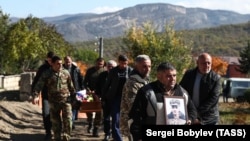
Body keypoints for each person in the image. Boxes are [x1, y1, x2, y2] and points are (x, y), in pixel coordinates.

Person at [129, 62, 197, 141]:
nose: (172, 79)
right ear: (159, 76)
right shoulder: (146, 92)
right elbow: (136, 116)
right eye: (168, 76)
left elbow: (193, 111)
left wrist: (190, 119)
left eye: (174, 75)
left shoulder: (182, 92)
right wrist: (138, 137)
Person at [32, 55, 75, 141]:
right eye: (58, 64)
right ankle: (57, 138)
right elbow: (39, 85)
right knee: (56, 124)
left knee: (68, 121)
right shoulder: (47, 73)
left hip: (66, 101)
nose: (60, 65)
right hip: (53, 102)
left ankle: (66, 138)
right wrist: (35, 95)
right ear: (53, 64)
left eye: (61, 64)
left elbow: (71, 87)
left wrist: (74, 97)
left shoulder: (66, 73)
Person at [179, 52, 221, 125]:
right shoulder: (189, 75)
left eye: (209, 63)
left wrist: (196, 114)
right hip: (191, 115)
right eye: (204, 63)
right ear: (197, 63)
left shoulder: (216, 78)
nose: (207, 65)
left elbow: (213, 99)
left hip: (209, 118)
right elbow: (181, 91)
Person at [120, 54, 151, 141]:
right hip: (132, 123)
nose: (148, 69)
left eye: (149, 66)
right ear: (136, 66)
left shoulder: (145, 80)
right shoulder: (133, 82)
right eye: (144, 66)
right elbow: (133, 105)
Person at [102, 54, 133, 141]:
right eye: (122, 63)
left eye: (125, 63)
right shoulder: (113, 71)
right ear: (119, 62)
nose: (124, 65)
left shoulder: (131, 71)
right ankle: (118, 139)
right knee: (115, 119)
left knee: (128, 120)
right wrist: (103, 98)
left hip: (127, 98)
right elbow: (107, 85)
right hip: (115, 98)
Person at [31, 51, 54, 140]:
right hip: (46, 96)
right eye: (49, 60)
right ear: (47, 59)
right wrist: (34, 95)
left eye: (52, 60)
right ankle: (48, 132)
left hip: (57, 97)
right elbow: (37, 82)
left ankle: (57, 131)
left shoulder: (59, 67)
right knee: (46, 113)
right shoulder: (43, 69)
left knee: (55, 115)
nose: (50, 62)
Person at [83, 57, 106, 137]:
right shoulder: (90, 71)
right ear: (95, 62)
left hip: (99, 94)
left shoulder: (104, 71)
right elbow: (85, 82)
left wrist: (96, 91)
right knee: (88, 110)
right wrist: (88, 90)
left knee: (99, 112)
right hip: (89, 93)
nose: (99, 65)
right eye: (98, 63)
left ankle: (95, 129)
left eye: (101, 63)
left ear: (103, 64)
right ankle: (90, 122)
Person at [96, 60, 117, 141]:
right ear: (106, 67)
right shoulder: (102, 75)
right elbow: (98, 87)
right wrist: (98, 95)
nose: (110, 68)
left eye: (113, 66)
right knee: (106, 118)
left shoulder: (119, 75)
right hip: (106, 100)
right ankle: (107, 133)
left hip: (116, 100)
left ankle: (115, 134)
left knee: (116, 118)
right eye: (109, 66)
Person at [63, 56, 84, 129]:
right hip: (65, 91)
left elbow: (81, 80)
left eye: (69, 60)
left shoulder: (76, 69)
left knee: (75, 107)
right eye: (66, 60)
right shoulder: (61, 69)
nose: (67, 62)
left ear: (71, 61)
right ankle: (70, 122)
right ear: (64, 61)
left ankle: (72, 121)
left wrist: (82, 89)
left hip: (76, 90)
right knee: (67, 107)